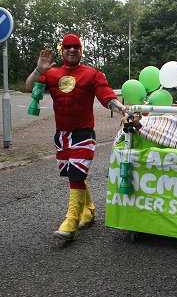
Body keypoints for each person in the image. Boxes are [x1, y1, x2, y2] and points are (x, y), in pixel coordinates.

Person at [24, 34, 126, 240]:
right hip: (61, 136)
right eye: (68, 47)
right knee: (72, 173)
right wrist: (38, 70)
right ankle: (87, 211)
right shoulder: (51, 74)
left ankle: (71, 221)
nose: (72, 50)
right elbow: (28, 87)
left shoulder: (93, 74)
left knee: (76, 175)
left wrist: (122, 109)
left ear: (81, 50)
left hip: (83, 134)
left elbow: (107, 96)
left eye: (76, 47)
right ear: (62, 50)